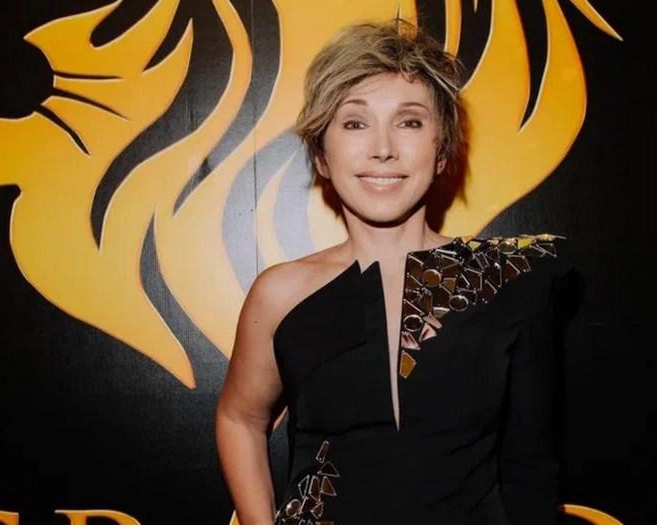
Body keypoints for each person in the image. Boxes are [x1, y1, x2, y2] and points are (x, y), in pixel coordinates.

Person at [215, 17, 578, 524]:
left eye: (409, 122)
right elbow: (239, 418)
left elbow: (531, 466)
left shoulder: (508, 280)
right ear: (321, 155)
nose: (382, 148)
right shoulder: (281, 293)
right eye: (354, 123)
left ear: (443, 150)